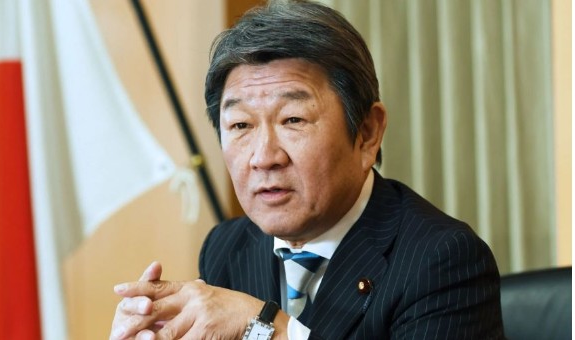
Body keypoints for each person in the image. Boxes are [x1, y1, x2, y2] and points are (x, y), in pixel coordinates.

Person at [110, 0, 505, 339]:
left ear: (367, 133)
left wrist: (266, 327)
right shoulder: (228, 247)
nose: (264, 157)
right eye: (241, 126)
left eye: (294, 119)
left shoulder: (442, 259)